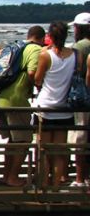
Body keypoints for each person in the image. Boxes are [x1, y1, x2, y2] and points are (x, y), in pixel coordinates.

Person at [0, 26, 45, 186]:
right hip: (16, 100)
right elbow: (31, 73)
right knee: (23, 141)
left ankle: (6, 175)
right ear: (41, 38)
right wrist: (39, 84)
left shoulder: (17, 45)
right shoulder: (36, 49)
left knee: (11, 140)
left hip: (1, 97)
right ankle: (13, 177)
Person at [33, 21, 75, 189]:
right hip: (64, 108)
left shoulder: (45, 55)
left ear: (50, 36)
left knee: (43, 150)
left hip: (45, 107)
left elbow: (37, 78)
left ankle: (43, 185)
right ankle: (56, 186)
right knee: (58, 152)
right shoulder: (74, 55)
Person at [68, 12, 90, 186]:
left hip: (83, 99)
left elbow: (75, 72)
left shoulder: (79, 47)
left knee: (80, 138)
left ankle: (79, 178)